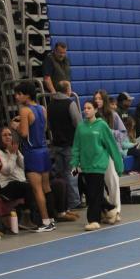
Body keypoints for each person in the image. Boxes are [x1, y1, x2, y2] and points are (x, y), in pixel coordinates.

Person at [71, 100, 124, 230]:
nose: (86, 110)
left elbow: (111, 145)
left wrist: (118, 165)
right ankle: (110, 209)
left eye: (89, 108)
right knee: (93, 192)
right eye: (84, 108)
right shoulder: (80, 127)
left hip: (99, 163)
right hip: (85, 165)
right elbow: (76, 146)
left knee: (93, 193)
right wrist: (74, 163)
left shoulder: (102, 125)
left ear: (95, 110)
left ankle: (93, 220)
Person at [15, 81, 56, 232]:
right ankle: (52, 219)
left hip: (32, 152)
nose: (16, 96)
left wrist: (16, 126)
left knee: (37, 189)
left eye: (19, 94)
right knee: (46, 187)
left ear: (27, 95)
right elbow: (43, 127)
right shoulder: (42, 108)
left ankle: (45, 221)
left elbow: (24, 133)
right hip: (44, 150)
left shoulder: (24, 110)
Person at [47, 80, 82, 209]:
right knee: (72, 174)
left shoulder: (50, 105)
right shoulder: (70, 103)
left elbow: (49, 125)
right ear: (67, 90)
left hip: (56, 145)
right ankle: (74, 202)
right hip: (70, 146)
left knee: (60, 175)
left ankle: (64, 203)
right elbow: (78, 124)